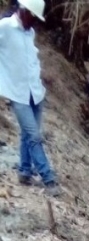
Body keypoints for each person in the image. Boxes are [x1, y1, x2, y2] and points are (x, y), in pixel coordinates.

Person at [0, 0, 59, 193]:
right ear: (23, 11)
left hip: (35, 92)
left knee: (27, 135)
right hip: (17, 94)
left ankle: (25, 172)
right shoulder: (5, 27)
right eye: (32, 17)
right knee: (34, 136)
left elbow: (31, 61)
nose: (34, 22)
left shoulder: (30, 33)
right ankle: (48, 178)